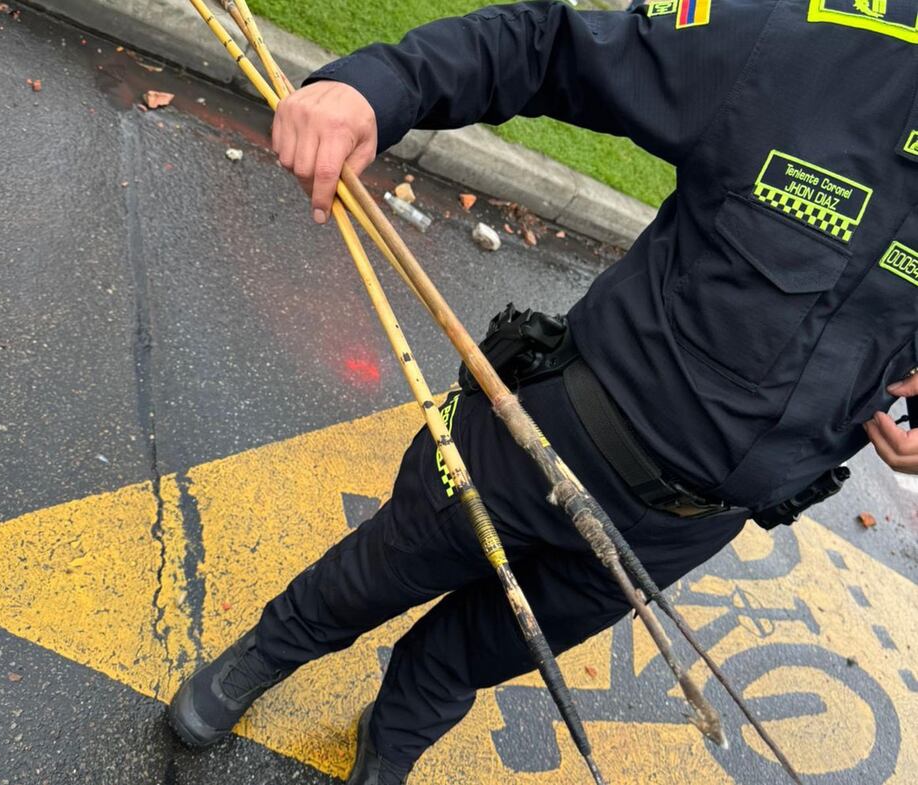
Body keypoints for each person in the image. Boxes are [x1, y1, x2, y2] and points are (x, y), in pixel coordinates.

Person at [168, 1, 918, 782]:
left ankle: (397, 731)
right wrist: (379, 85)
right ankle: (273, 647)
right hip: (547, 432)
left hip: (682, 530)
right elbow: (554, 47)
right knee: (387, 565)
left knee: (490, 647)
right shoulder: (810, 40)